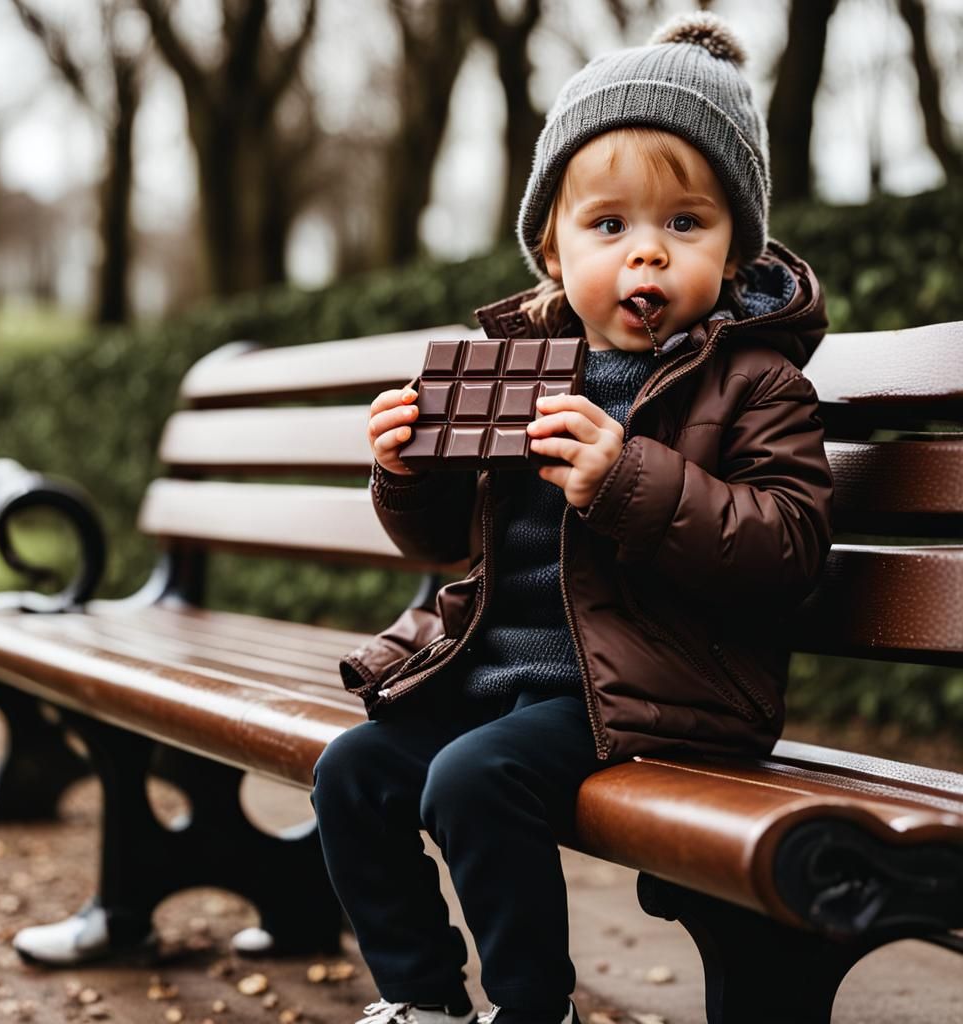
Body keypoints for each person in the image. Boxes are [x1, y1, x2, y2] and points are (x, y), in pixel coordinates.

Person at [311, 12, 834, 1024]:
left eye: (685, 224)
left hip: (663, 690)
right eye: (610, 226)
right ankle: (422, 1000)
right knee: (356, 770)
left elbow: (789, 549)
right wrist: (407, 471)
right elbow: (437, 546)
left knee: (472, 782)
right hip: (498, 678)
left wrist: (624, 479)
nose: (646, 255)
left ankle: (529, 1008)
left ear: (735, 252)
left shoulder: (757, 381)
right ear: (552, 247)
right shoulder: (516, 370)